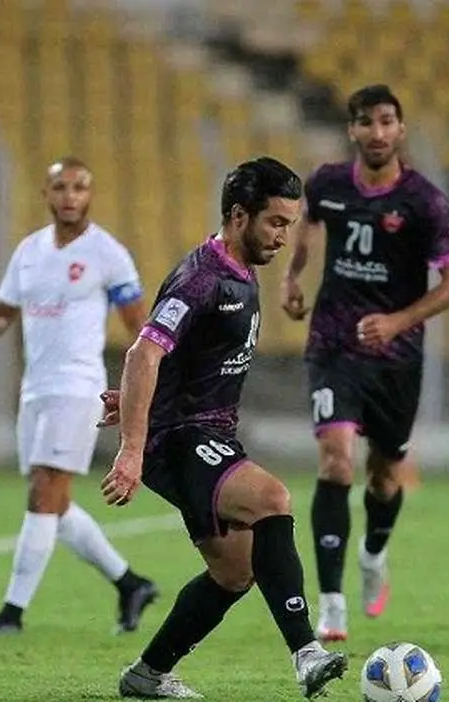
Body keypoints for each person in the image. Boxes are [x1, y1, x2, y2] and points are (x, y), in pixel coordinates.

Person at [98, 157, 349, 699]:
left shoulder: (240, 270)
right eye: (275, 222)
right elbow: (143, 353)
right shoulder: (201, 278)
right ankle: (307, 653)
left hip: (200, 431)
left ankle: (147, 675)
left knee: (234, 572)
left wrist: (141, 401)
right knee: (272, 499)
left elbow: (177, 358)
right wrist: (132, 448)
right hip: (180, 440)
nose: (283, 236)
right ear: (238, 216)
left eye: (289, 223)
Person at [281, 84, 449, 642]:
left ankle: (373, 554)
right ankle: (331, 603)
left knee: (384, 476)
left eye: (387, 121)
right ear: (352, 130)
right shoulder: (328, 183)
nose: (377, 132)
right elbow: (308, 225)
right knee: (336, 461)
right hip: (334, 344)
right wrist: (292, 276)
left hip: (396, 358)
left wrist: (398, 322)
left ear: (400, 129)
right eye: (366, 122)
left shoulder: (425, 202)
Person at [0, 157, 159, 637]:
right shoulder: (29, 250)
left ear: (90, 195)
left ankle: (12, 613)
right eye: (61, 187)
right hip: (36, 390)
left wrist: (140, 387)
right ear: (45, 194)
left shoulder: (107, 253)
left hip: (77, 386)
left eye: (79, 187)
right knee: (56, 503)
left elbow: (141, 327)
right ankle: (131, 584)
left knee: (44, 491)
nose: (70, 196)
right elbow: (4, 310)